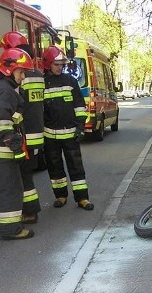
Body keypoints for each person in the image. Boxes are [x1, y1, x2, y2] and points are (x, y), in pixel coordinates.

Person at [0, 48, 35, 239]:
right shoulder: (5, 91)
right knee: (10, 188)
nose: (23, 77)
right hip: (1, 151)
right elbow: (1, 121)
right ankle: (11, 229)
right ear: (10, 69)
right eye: (22, 72)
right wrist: (16, 147)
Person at [0, 31, 44, 224]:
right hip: (37, 135)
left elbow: (14, 106)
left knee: (21, 178)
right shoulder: (39, 75)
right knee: (27, 177)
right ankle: (31, 210)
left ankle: (28, 212)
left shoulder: (19, 75)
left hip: (23, 135)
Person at [42, 46, 94, 211]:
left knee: (76, 167)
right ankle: (61, 196)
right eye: (56, 64)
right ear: (48, 64)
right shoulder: (42, 83)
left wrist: (80, 127)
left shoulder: (70, 81)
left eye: (61, 64)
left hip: (71, 133)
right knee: (55, 168)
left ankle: (82, 198)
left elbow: (79, 106)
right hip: (50, 136)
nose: (60, 67)